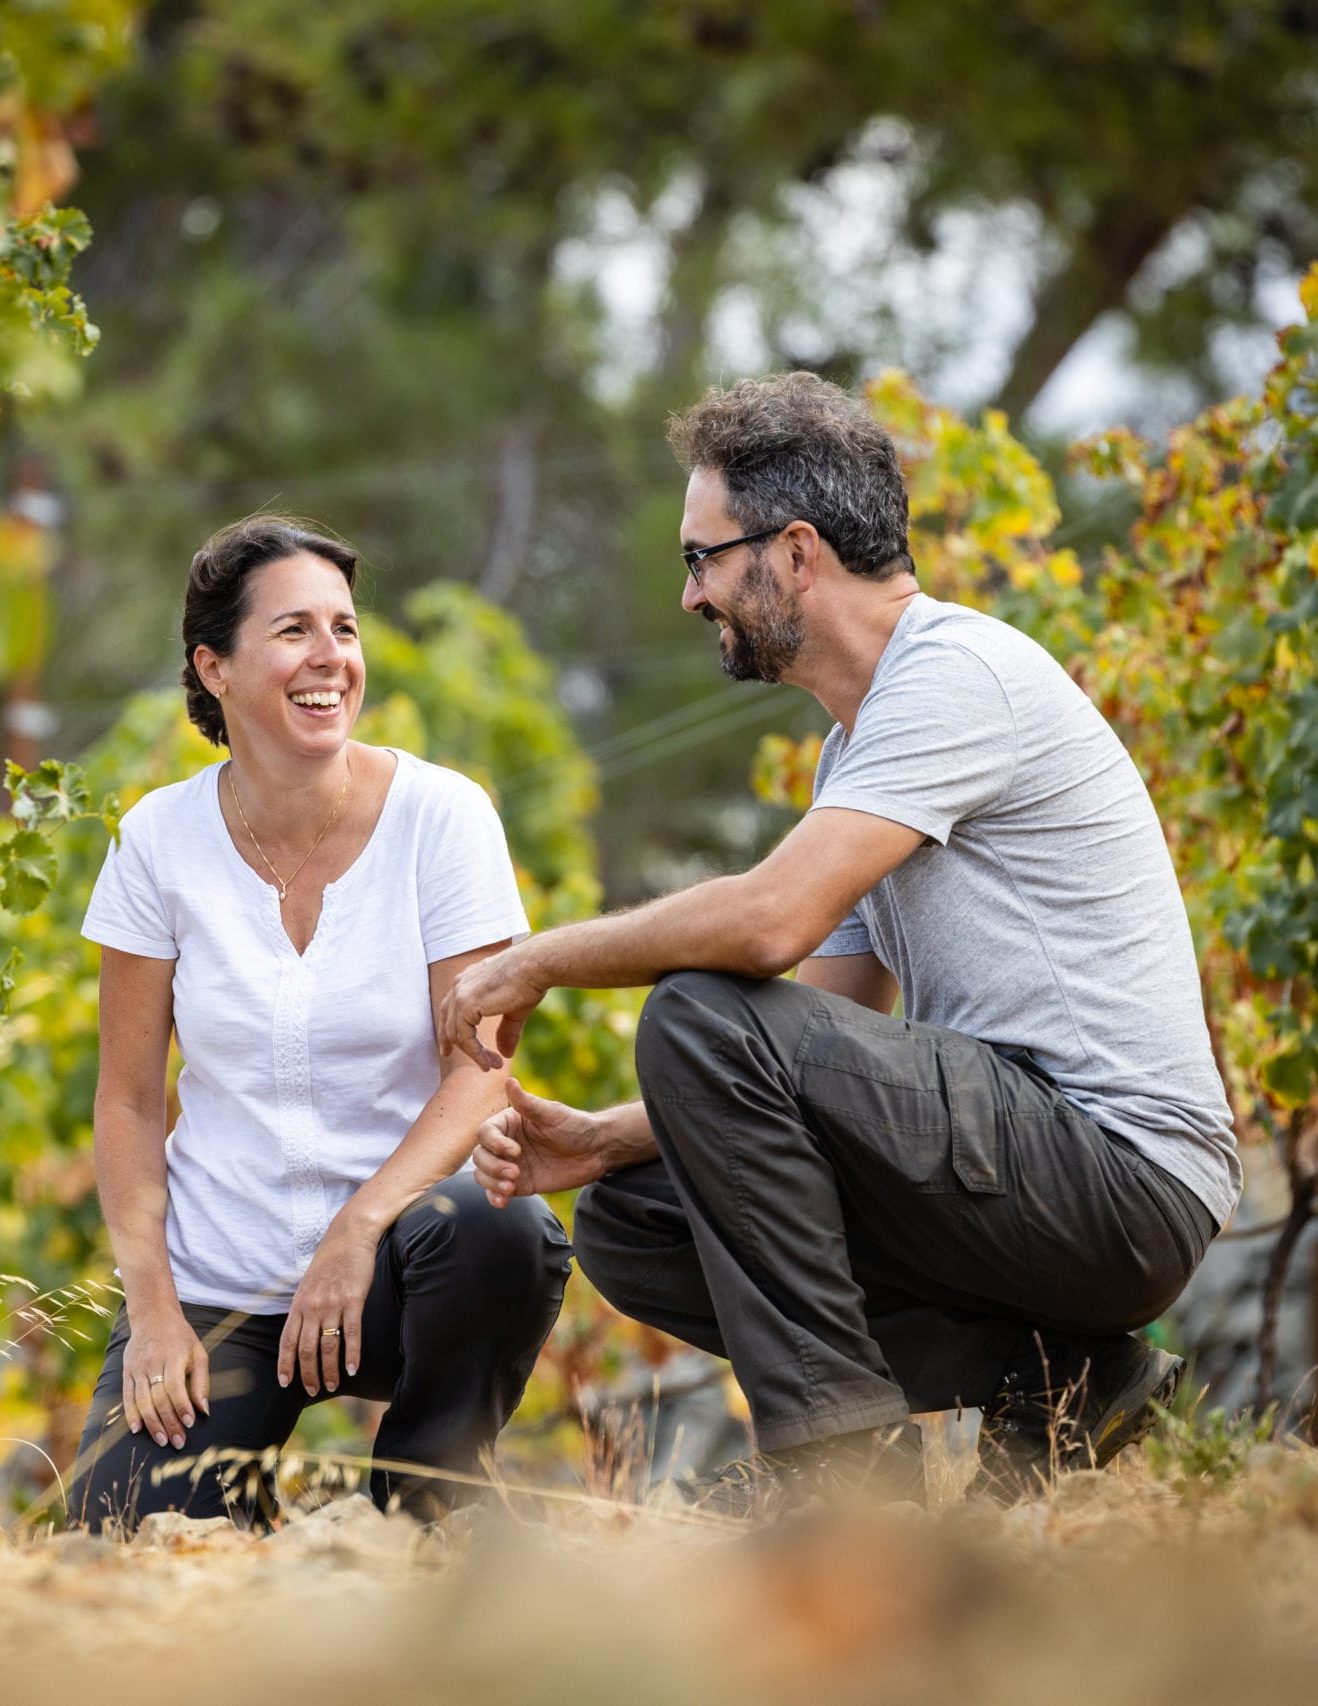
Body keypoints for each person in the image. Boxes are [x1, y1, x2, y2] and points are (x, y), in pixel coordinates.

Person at [442, 373, 1242, 1513]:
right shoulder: (854, 750)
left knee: (695, 1009)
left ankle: (839, 1471)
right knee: (631, 1218)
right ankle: (1065, 1376)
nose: (690, 596)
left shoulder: (952, 675)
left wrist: (537, 956)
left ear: (795, 551)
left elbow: (767, 929)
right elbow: (825, 1026)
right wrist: (613, 1136)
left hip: (1120, 1175)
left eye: (701, 557)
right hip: (1025, 1173)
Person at [69, 516, 571, 1532]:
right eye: (293, 629)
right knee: (118, 1537)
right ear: (214, 665)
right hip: (222, 1282)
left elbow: (479, 1072)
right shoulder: (158, 841)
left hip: (399, 1261)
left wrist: (360, 1222)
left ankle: (421, 1511)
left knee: (497, 1224)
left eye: (344, 628)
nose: (331, 657)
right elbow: (124, 1100)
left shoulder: (444, 815)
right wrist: (156, 1306)